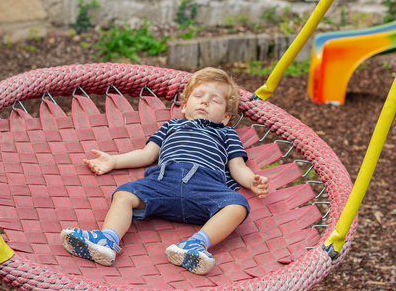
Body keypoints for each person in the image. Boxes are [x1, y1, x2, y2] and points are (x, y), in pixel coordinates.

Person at [61, 67, 270, 275]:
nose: (205, 101)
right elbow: (147, 154)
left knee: (238, 205)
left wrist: (252, 181)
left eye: (215, 100)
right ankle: (107, 240)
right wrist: (114, 161)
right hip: (163, 182)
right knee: (124, 194)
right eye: (199, 96)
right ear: (185, 106)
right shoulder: (172, 126)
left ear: (225, 117)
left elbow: (237, 167)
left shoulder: (226, 134)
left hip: (205, 187)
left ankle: (195, 245)